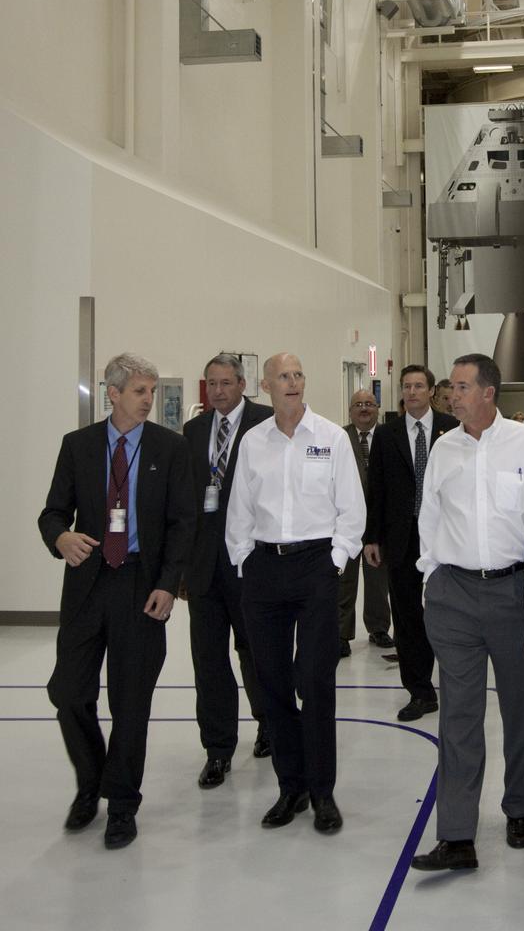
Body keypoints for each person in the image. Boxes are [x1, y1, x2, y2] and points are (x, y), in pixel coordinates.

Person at [38, 353, 195, 849]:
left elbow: (183, 523)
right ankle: (91, 780)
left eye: (151, 391)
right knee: (68, 691)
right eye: (139, 391)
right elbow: (52, 513)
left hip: (140, 586)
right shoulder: (78, 446)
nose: (149, 400)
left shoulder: (169, 449)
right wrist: (61, 538)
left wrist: (168, 584)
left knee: (131, 702)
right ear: (113, 393)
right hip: (87, 584)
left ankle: (121, 802)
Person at [411, 354, 524, 872]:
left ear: (489, 392)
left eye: (463, 386)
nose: (452, 394)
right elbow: (428, 516)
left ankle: (520, 806)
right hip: (454, 596)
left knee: (523, 709)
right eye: (452, 387)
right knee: (459, 717)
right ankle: (457, 834)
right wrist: (432, 576)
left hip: (514, 594)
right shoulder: (444, 450)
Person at [226, 352, 364, 834]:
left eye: (299, 374)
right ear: (265, 386)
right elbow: (239, 510)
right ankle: (292, 787)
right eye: (283, 376)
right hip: (264, 570)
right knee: (273, 683)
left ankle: (323, 791)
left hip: (315, 569)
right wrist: (245, 559)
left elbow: (352, 509)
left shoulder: (332, 438)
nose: (293, 382)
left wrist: (335, 560)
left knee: (316, 680)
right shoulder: (252, 442)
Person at [182, 353, 272, 789]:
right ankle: (217, 749)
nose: (217, 391)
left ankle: (269, 723)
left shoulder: (266, 423)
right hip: (203, 568)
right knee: (208, 660)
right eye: (210, 384)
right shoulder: (194, 430)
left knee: (257, 652)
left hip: (251, 562)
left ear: (242, 383)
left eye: (225, 383)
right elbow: (184, 504)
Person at [364, 365, 457, 721]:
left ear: (432, 390)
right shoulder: (386, 435)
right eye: (407, 386)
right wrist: (372, 537)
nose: (413, 391)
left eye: (419, 385)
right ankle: (419, 691)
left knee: (448, 614)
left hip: (445, 537)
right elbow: (377, 489)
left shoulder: (452, 428)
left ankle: (454, 683)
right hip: (401, 537)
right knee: (406, 615)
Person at [338, 389, 393, 657]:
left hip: (377, 522)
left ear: (378, 408)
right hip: (346, 522)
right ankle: (341, 634)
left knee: (377, 580)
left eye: (369, 404)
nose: (364, 409)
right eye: (358, 404)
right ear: (350, 410)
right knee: (344, 581)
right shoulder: (339, 437)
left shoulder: (388, 436)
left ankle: (378, 628)